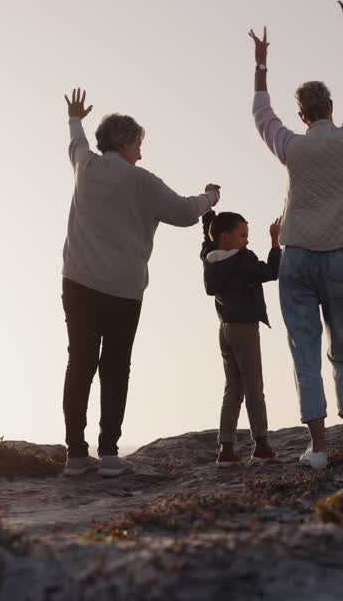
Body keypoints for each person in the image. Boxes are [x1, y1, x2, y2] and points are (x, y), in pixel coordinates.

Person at [247, 0, 343, 469]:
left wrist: (261, 63)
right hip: (341, 255)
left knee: (303, 350)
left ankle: (318, 448)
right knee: (342, 347)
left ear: (302, 114)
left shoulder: (291, 146)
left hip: (298, 257)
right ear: (331, 106)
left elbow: (261, 113)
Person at [60, 88, 221, 477]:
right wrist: (209, 198)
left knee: (80, 362)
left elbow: (76, 143)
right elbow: (184, 212)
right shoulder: (142, 181)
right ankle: (110, 453)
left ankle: (76, 455)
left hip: (78, 281)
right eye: (137, 143)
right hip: (122, 289)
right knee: (115, 366)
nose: (140, 152)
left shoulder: (86, 166)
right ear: (124, 142)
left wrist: (75, 117)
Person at [199, 209, 281, 466]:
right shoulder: (243, 260)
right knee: (253, 386)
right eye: (242, 234)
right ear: (225, 237)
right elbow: (271, 272)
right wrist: (275, 242)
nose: (246, 240)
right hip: (245, 328)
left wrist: (207, 217)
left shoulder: (210, 260)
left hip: (225, 328)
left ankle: (226, 448)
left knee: (233, 388)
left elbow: (207, 242)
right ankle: (262, 444)